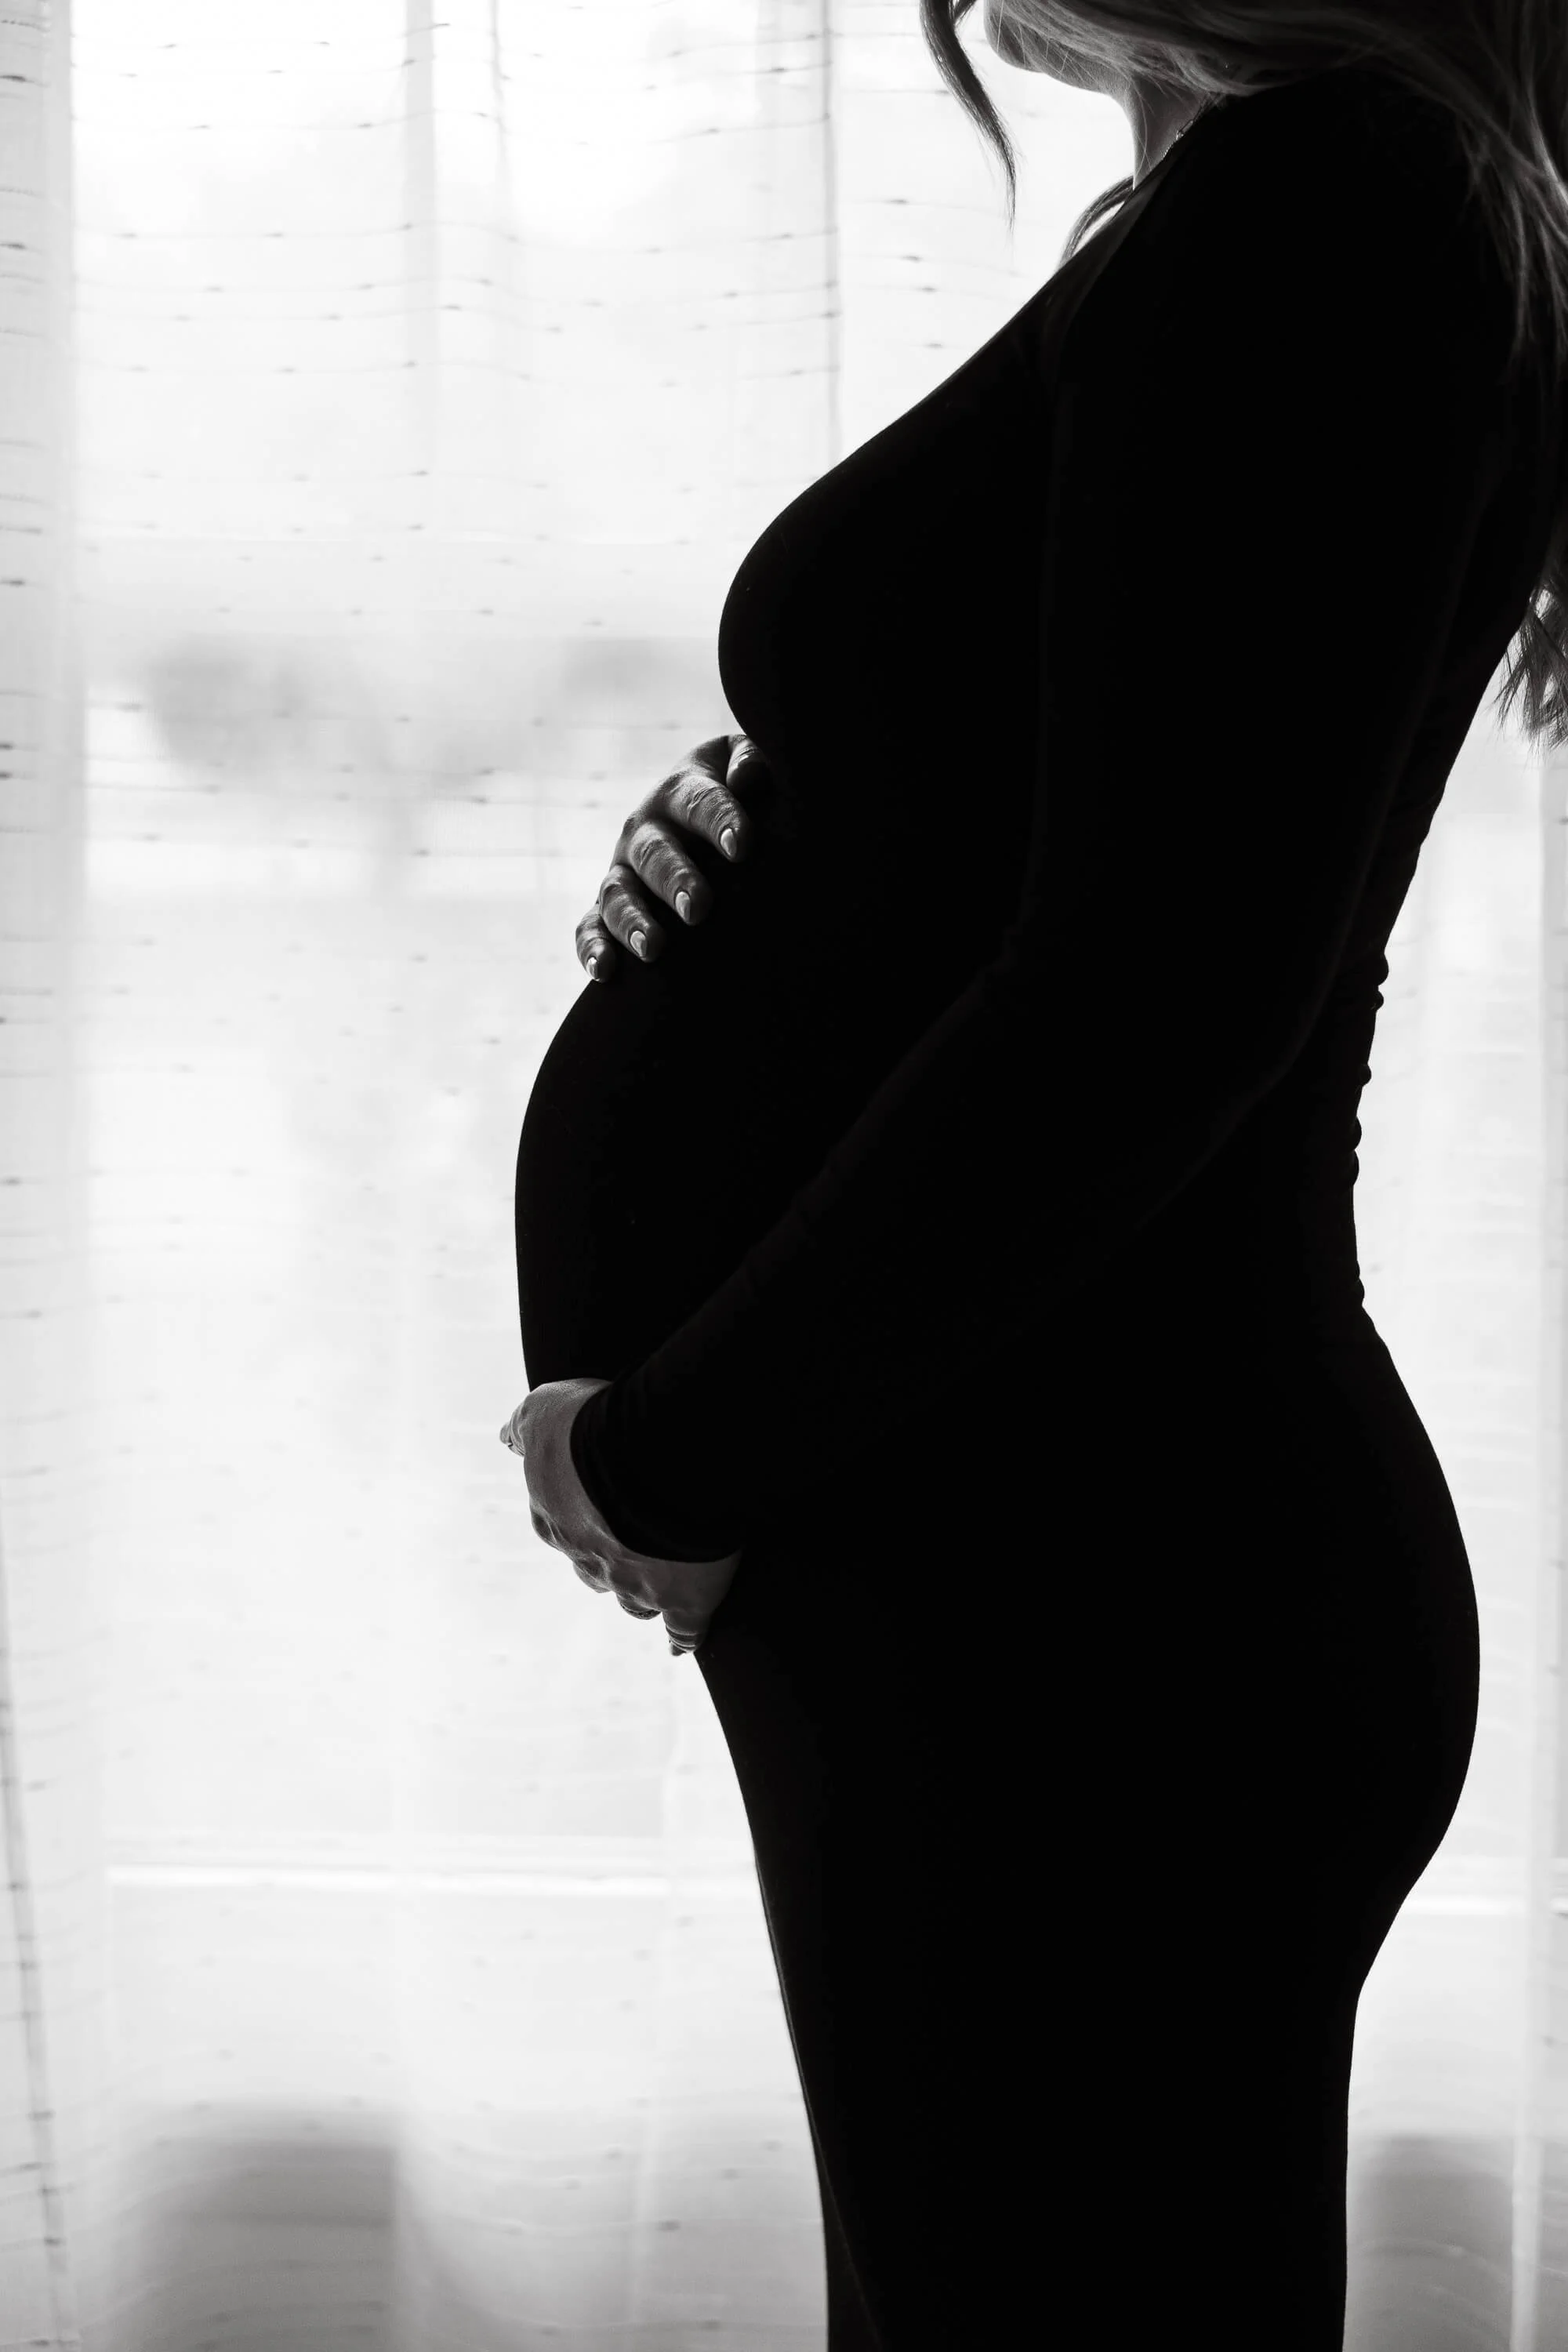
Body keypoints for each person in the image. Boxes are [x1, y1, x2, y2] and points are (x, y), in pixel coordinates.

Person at [504, 5, 1566, 2343]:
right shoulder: (1257, 210)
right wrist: (784, 817)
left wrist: (670, 1450)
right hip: (1022, 1564)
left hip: (1094, 1603)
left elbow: (1162, 997)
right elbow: (1086, 830)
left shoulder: (1346, 200)